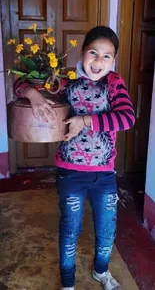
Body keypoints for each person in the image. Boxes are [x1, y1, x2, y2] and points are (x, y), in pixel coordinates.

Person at [14, 26, 135, 290]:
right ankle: (68, 283)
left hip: (104, 174)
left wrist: (85, 120)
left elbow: (127, 117)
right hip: (71, 173)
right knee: (70, 229)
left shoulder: (114, 82)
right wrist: (34, 95)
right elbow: (20, 82)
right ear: (81, 53)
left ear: (113, 61)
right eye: (93, 53)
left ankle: (101, 271)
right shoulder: (65, 80)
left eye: (106, 56)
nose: (98, 61)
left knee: (106, 230)